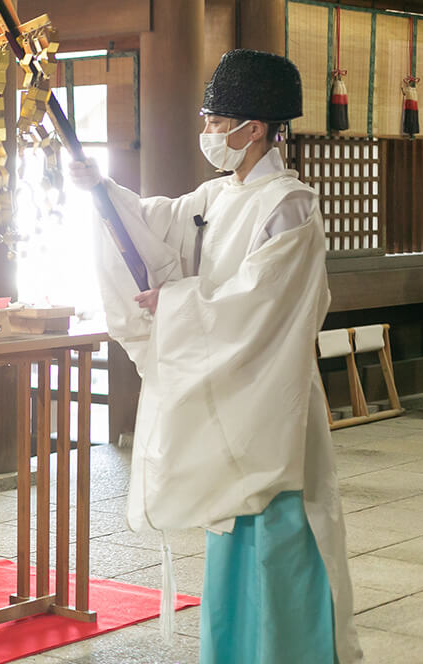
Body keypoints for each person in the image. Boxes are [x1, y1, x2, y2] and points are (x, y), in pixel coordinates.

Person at [69, 50, 362, 663]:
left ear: (252, 128)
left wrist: (173, 304)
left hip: (270, 388)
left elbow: (263, 301)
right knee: (229, 527)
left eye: (213, 119)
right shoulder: (218, 194)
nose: (207, 131)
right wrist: (101, 190)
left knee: (281, 526)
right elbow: (154, 224)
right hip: (228, 389)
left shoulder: (290, 204)